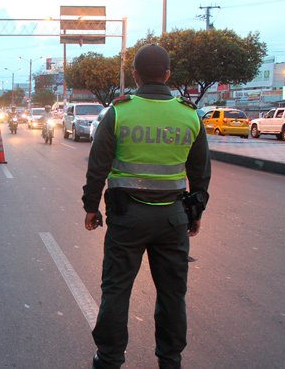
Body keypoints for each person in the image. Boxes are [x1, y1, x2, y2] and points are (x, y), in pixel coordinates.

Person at [82, 44, 211, 369]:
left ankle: (109, 359)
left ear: (136, 75)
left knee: (116, 289)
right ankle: (170, 360)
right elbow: (200, 172)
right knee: (172, 294)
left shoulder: (119, 112)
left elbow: (97, 166)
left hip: (127, 219)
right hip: (172, 219)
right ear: (168, 75)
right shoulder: (189, 114)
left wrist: (91, 207)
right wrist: (194, 214)